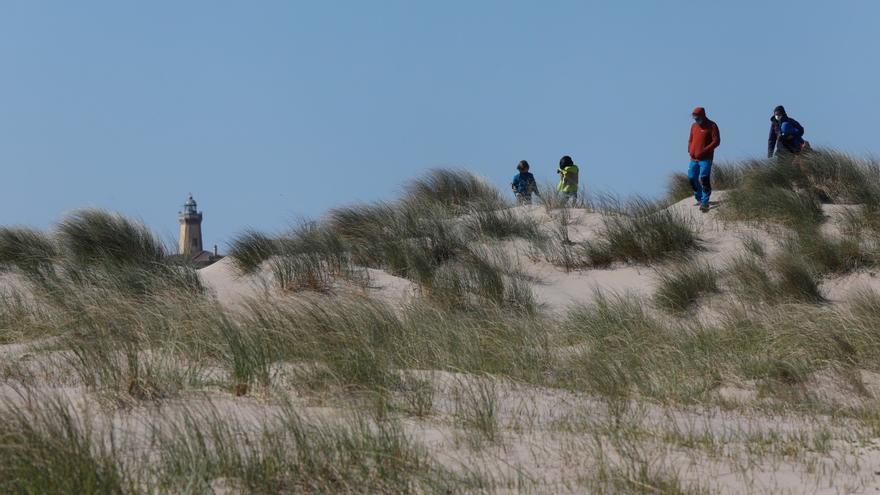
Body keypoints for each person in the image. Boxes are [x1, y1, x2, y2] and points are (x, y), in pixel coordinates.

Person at [688, 107, 721, 213]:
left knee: (704, 178)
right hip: (693, 158)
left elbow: (716, 141)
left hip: (706, 159)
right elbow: (691, 139)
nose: (696, 120)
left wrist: (705, 150)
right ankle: (699, 197)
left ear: (703, 116)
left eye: (697, 118)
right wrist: (690, 148)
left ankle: (705, 202)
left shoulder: (712, 125)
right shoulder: (693, 126)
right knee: (692, 178)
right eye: (694, 118)